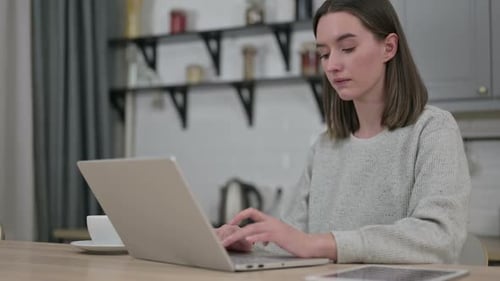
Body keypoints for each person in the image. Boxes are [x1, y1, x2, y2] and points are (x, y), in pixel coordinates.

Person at [216, 0, 471, 264]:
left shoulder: (433, 130)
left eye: (347, 48)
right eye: (324, 54)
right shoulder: (325, 146)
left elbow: (440, 238)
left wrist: (322, 243)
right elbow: (294, 243)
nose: (331, 65)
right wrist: (251, 244)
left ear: (389, 47)